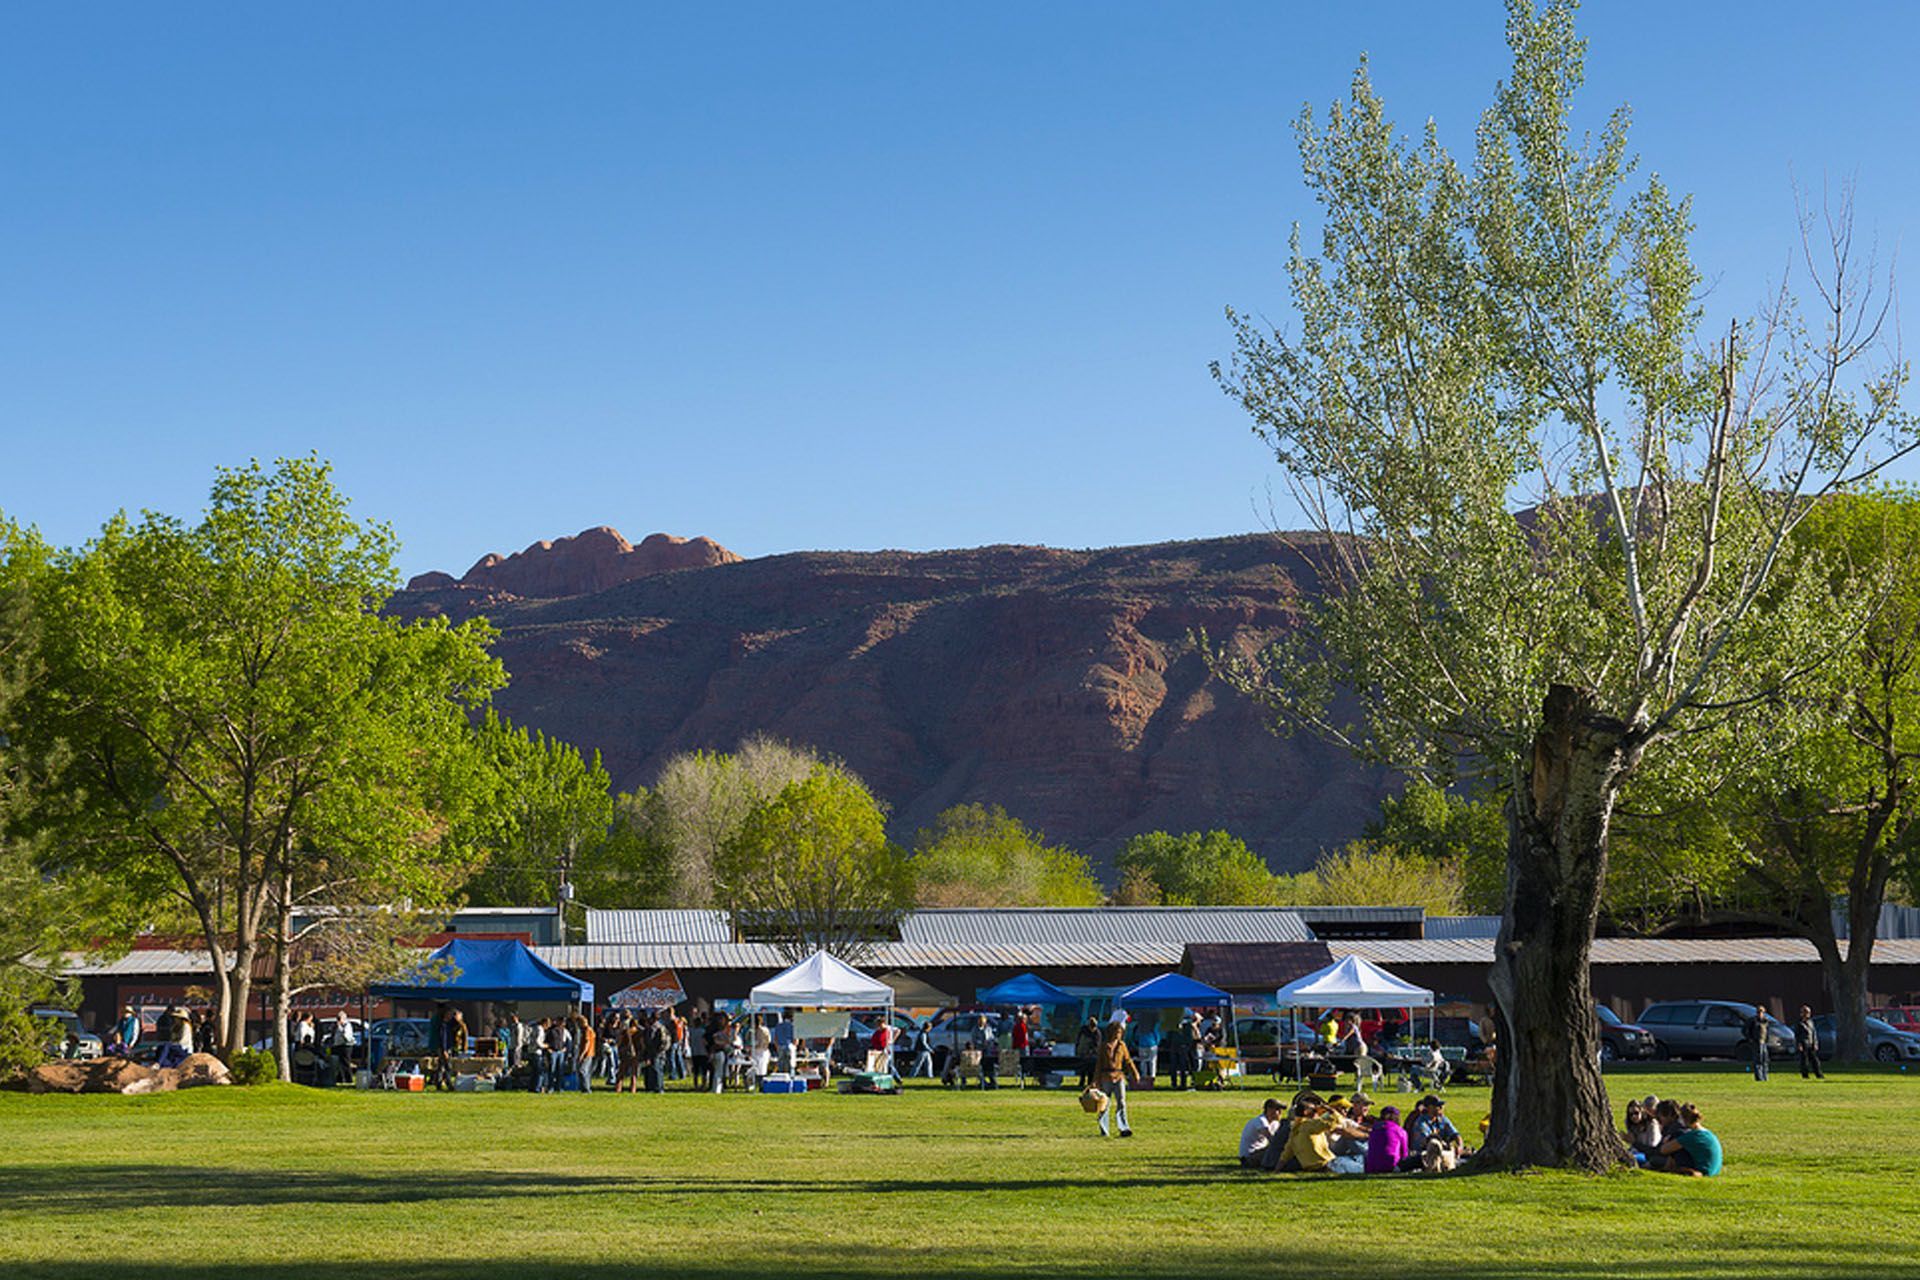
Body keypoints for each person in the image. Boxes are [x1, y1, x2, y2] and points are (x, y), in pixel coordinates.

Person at [1095, 1019, 1139, 1138]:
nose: (1119, 1034)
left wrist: (1135, 1073)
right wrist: (1096, 1081)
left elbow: (1128, 1061)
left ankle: (1124, 1128)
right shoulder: (1104, 1046)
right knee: (1104, 1104)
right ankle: (1104, 1129)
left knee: (1122, 1102)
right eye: (1117, 1032)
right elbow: (1098, 1064)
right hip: (1105, 1077)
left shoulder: (1122, 1045)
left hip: (1119, 1076)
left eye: (1120, 1032)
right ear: (1111, 1032)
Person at [1653, 1102, 1723, 1177]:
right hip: (1714, 1171)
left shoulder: (1691, 1137)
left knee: (1673, 1151)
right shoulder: (1708, 1133)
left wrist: (1666, 1141)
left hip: (1701, 1172)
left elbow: (1663, 1150)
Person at [1402, 1096, 1462, 1170]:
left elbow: (1456, 1134)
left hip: (1441, 1151)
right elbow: (1430, 1142)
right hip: (1423, 1155)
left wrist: (1460, 1146)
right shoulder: (1420, 1123)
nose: (1441, 1108)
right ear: (1429, 1108)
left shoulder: (1443, 1119)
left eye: (1441, 1105)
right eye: (1438, 1106)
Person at [1239, 1098, 1286, 1168]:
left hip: (1259, 1151)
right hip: (1249, 1156)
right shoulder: (1261, 1121)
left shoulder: (1274, 1123)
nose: (1280, 1113)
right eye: (1278, 1110)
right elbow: (1272, 1140)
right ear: (1269, 1110)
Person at [1365, 1104, 1409, 1174]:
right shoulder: (1400, 1131)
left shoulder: (1374, 1129)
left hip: (1371, 1167)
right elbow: (1404, 1154)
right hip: (1391, 1166)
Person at [1624, 1095, 1663, 1161]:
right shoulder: (1631, 1125)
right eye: (1631, 1114)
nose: (1633, 1116)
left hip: (1649, 1154)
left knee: (1632, 1158)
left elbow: (1652, 1147)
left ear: (1642, 1112)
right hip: (1636, 1151)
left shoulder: (1652, 1124)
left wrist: (1634, 1142)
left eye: (1636, 1113)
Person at [1744, 1003, 1772, 1082]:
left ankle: (1765, 1077)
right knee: (1758, 1060)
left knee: (1765, 1060)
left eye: (1762, 1012)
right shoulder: (1752, 1021)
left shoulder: (1766, 1021)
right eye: (1758, 1012)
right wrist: (1750, 1039)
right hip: (1756, 1042)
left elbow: (1767, 1031)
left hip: (1764, 1042)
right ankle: (1759, 1077)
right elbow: (1745, 1031)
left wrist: (1767, 1040)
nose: (1760, 1013)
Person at [1795, 1005, 1824, 1080]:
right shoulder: (1799, 1023)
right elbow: (1797, 1035)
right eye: (1806, 1012)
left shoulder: (1811, 1022)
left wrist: (1815, 1043)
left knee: (1815, 1061)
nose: (1808, 1014)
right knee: (1804, 1061)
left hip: (1811, 1043)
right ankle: (1805, 1075)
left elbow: (1814, 1033)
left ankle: (1819, 1074)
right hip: (1804, 1043)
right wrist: (1799, 1044)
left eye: (1809, 1012)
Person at [1074, 1017, 1100, 1090]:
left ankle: (1089, 1083)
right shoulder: (1083, 1031)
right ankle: (1082, 1082)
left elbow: (1097, 1044)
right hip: (1083, 1052)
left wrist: (1092, 1051)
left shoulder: (1097, 1033)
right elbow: (1079, 1041)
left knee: (1091, 1070)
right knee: (1083, 1069)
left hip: (1091, 1054)